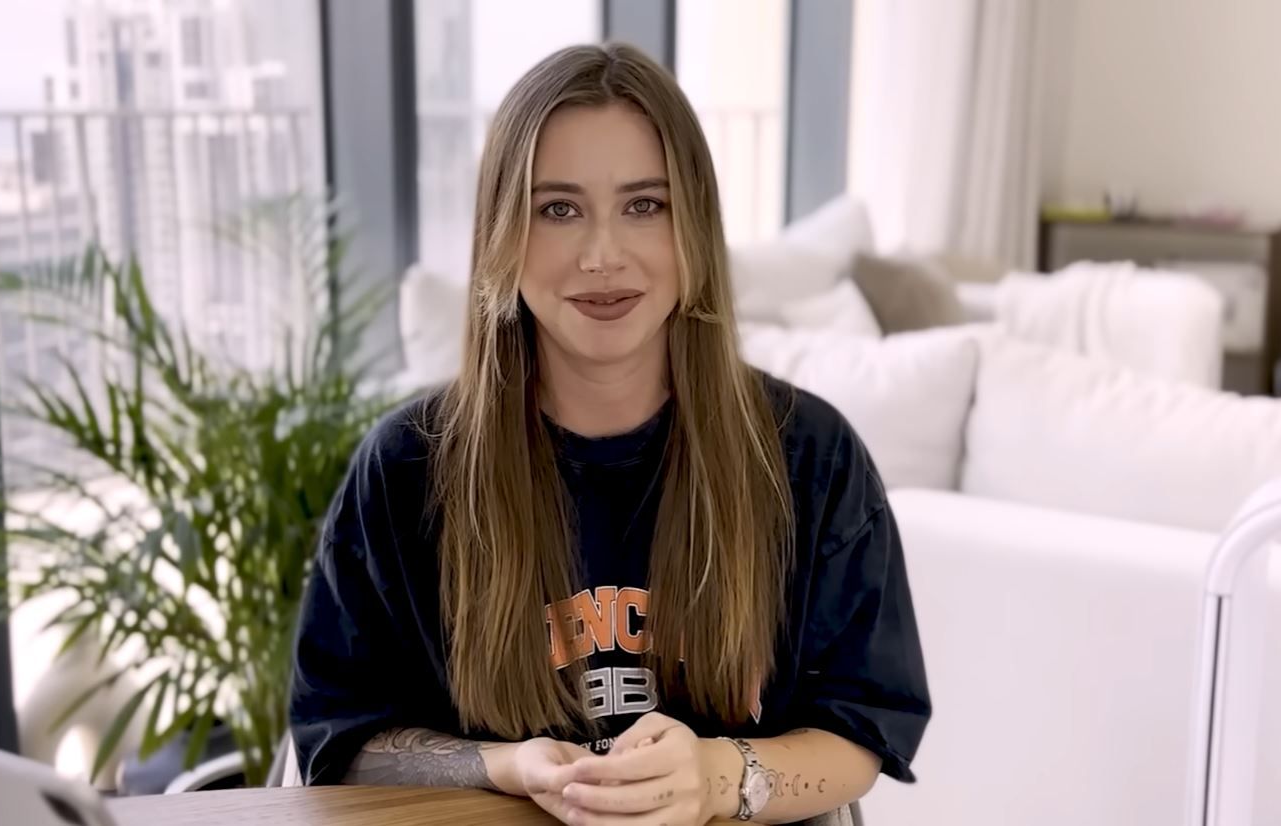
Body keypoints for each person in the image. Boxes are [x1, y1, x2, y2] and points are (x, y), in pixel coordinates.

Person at [288, 42, 930, 825]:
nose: (602, 256)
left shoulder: (809, 456)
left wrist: (715, 776)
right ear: (502, 235)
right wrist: (503, 765)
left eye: (643, 206)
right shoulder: (405, 467)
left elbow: (862, 731)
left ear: (693, 226)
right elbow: (340, 740)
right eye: (557, 209)